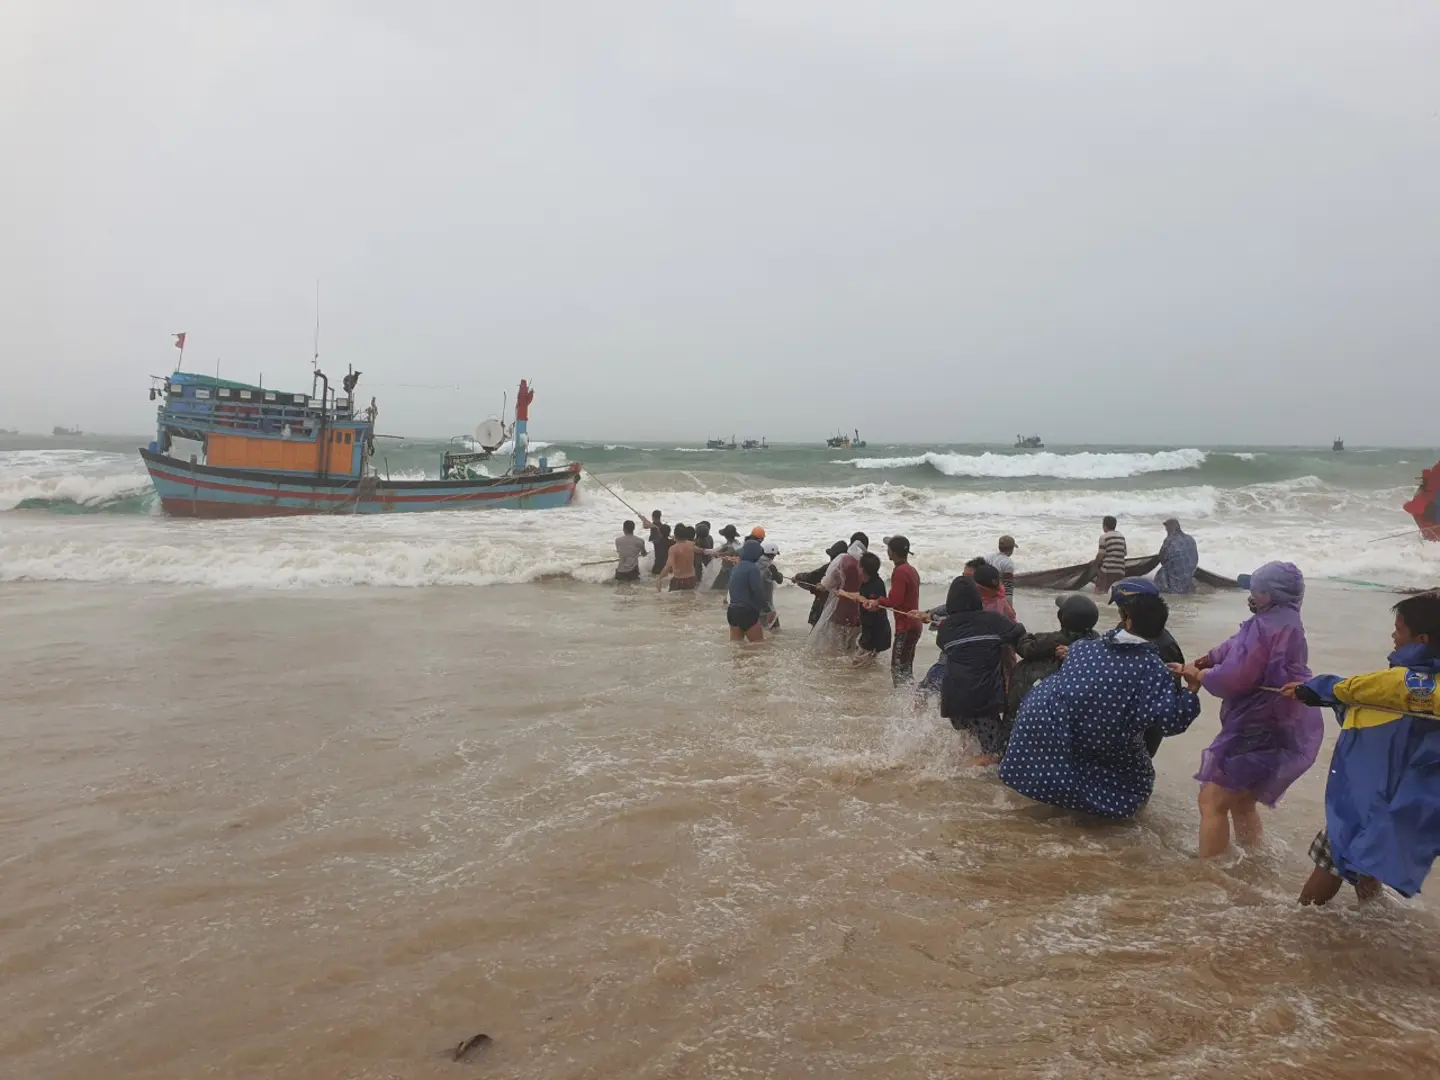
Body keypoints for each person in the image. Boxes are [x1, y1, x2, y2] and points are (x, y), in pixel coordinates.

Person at [1285, 593, 1440, 905]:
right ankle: (1373, 918)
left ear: (1421, 639)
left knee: (1335, 851)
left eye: (1399, 629)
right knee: (1367, 850)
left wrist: (1312, 689)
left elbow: (1350, 688)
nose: (1393, 636)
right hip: (1406, 796)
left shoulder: (1403, 682)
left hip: (1376, 791)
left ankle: (1300, 921)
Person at [1000, 593, 1202, 819]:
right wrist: (1191, 688)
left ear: (1128, 621)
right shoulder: (1154, 670)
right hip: (1091, 739)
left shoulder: (1082, 649)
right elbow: (1172, 722)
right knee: (1138, 785)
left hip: (1035, 734)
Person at [1170, 562, 1323, 858]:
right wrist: (1209, 658)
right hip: (1282, 718)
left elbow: (1236, 678)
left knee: (1211, 800)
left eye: (1257, 591)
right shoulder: (1284, 619)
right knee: (1242, 800)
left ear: (1271, 595)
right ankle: (1254, 860)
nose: (1252, 596)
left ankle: (1211, 875)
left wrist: (1199, 676)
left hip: (1261, 721)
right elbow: (1238, 644)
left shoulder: (1268, 625)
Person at [935, 577, 1026, 765]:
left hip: (952, 701)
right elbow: (1018, 631)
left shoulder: (946, 629)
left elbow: (943, 644)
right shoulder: (993, 621)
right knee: (996, 753)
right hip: (981, 701)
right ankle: (957, 773)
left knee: (968, 738)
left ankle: (955, 765)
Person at [1006, 593, 1101, 719]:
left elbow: (1025, 647)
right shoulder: (1097, 645)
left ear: (1061, 617)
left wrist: (1019, 631)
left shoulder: (1050, 641)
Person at [867, 536, 923, 686]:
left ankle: (903, 704)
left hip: (905, 626)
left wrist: (878, 601)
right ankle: (911, 701)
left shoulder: (900, 572)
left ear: (891, 552)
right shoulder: (911, 570)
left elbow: (895, 601)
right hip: (915, 624)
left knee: (897, 669)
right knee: (906, 669)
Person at [811, 533, 868, 651]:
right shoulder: (868, 563)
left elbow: (827, 583)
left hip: (841, 608)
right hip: (860, 610)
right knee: (853, 646)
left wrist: (821, 585)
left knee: (837, 647)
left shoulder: (843, 560)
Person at [795, 542, 848, 627]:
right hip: (842, 610)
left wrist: (797, 577)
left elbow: (810, 578)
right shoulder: (852, 567)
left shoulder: (830, 568)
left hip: (823, 607)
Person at [726, 538, 769, 642]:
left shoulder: (736, 567)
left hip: (732, 611)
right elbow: (757, 591)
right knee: (759, 648)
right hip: (747, 612)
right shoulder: (753, 569)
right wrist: (767, 609)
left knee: (737, 646)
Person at [854, 551, 892, 660]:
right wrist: (842, 593)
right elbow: (861, 597)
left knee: (856, 665)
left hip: (876, 633)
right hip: (869, 630)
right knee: (867, 664)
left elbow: (876, 606)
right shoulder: (865, 582)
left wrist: (872, 607)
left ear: (862, 569)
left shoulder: (877, 584)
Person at [1154, 518, 1199, 594]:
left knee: (1159, 578)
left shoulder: (1169, 540)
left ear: (1171, 528)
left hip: (1176, 571)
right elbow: (1195, 557)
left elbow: (1161, 558)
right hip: (1190, 569)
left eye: (1167, 528)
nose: (1166, 530)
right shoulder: (1190, 538)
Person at [656, 524, 699, 591]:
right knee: (690, 599)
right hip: (692, 579)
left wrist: (660, 578)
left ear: (675, 535)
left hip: (679, 580)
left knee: (673, 600)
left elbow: (669, 565)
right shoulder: (691, 544)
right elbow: (703, 551)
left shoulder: (673, 549)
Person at [1093, 516, 1127, 593]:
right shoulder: (1122, 536)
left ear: (1104, 526)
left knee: (1100, 591)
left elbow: (1100, 555)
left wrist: (1095, 565)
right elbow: (1124, 553)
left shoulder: (1104, 537)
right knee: (1115, 592)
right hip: (1121, 571)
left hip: (1108, 571)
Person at [757, 538, 784, 630]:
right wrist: (777, 573)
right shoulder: (771, 566)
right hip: (767, 603)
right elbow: (780, 580)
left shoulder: (754, 562)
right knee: (775, 629)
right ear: (772, 555)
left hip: (755, 600)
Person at [711, 525, 741, 590]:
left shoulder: (729, 546)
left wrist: (718, 554)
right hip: (735, 569)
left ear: (725, 536)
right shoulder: (737, 543)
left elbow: (729, 552)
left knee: (715, 589)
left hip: (726, 570)